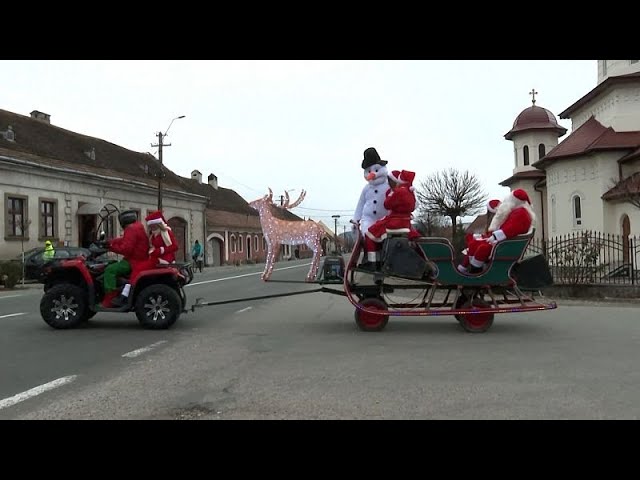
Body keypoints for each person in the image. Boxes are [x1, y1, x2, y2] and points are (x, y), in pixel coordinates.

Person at [457, 189, 535, 274]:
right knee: (474, 244)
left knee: (482, 248)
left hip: (505, 245)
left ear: (514, 200)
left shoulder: (521, 213)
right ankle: (471, 269)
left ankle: (475, 271)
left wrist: (495, 236)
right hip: (504, 242)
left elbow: (511, 228)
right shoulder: (518, 212)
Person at [360, 169, 420, 270]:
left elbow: (387, 205)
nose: (389, 183)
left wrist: (391, 195)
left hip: (395, 222)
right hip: (405, 222)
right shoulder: (410, 192)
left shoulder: (399, 192)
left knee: (370, 234)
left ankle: (373, 263)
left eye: (390, 180)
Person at [103, 210, 154, 308]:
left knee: (110, 270)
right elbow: (126, 240)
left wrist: (110, 247)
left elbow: (126, 249)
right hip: (140, 259)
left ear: (122, 221)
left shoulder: (130, 229)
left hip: (133, 261)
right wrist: (111, 241)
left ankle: (110, 298)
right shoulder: (138, 226)